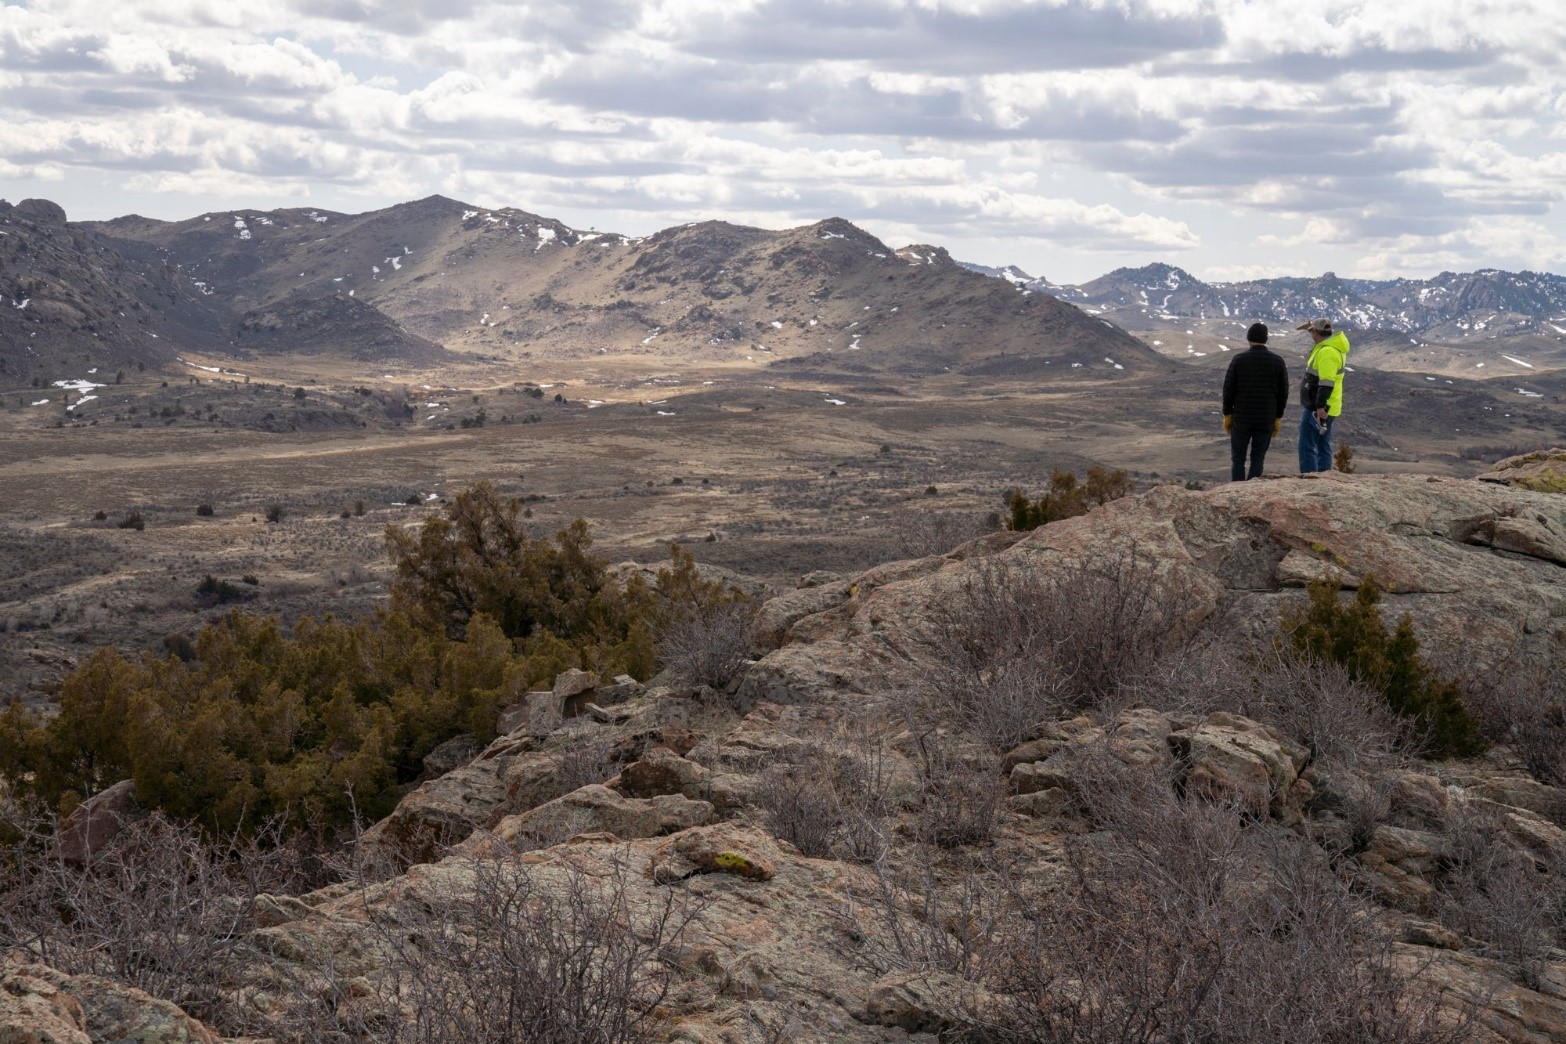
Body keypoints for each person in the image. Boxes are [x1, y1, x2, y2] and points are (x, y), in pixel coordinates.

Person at [1221, 322, 1289, 481]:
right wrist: (1278, 416)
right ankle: (1253, 487)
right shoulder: (1278, 362)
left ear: (1248, 338)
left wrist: (1227, 414)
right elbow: (1283, 392)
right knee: (1258, 458)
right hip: (1266, 417)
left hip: (1241, 417)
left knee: (1238, 458)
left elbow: (1228, 389)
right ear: (1266, 339)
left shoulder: (1239, 360)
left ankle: (1237, 490)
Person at [1296, 318, 1350, 473]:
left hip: (1319, 407)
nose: (1311, 334)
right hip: (1327, 405)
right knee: (1322, 443)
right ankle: (1323, 477)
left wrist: (1320, 407)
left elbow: (1326, 382)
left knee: (1306, 444)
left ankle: (1310, 478)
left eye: (1312, 331)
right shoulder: (1332, 346)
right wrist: (1309, 328)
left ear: (1316, 333)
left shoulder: (1327, 352)